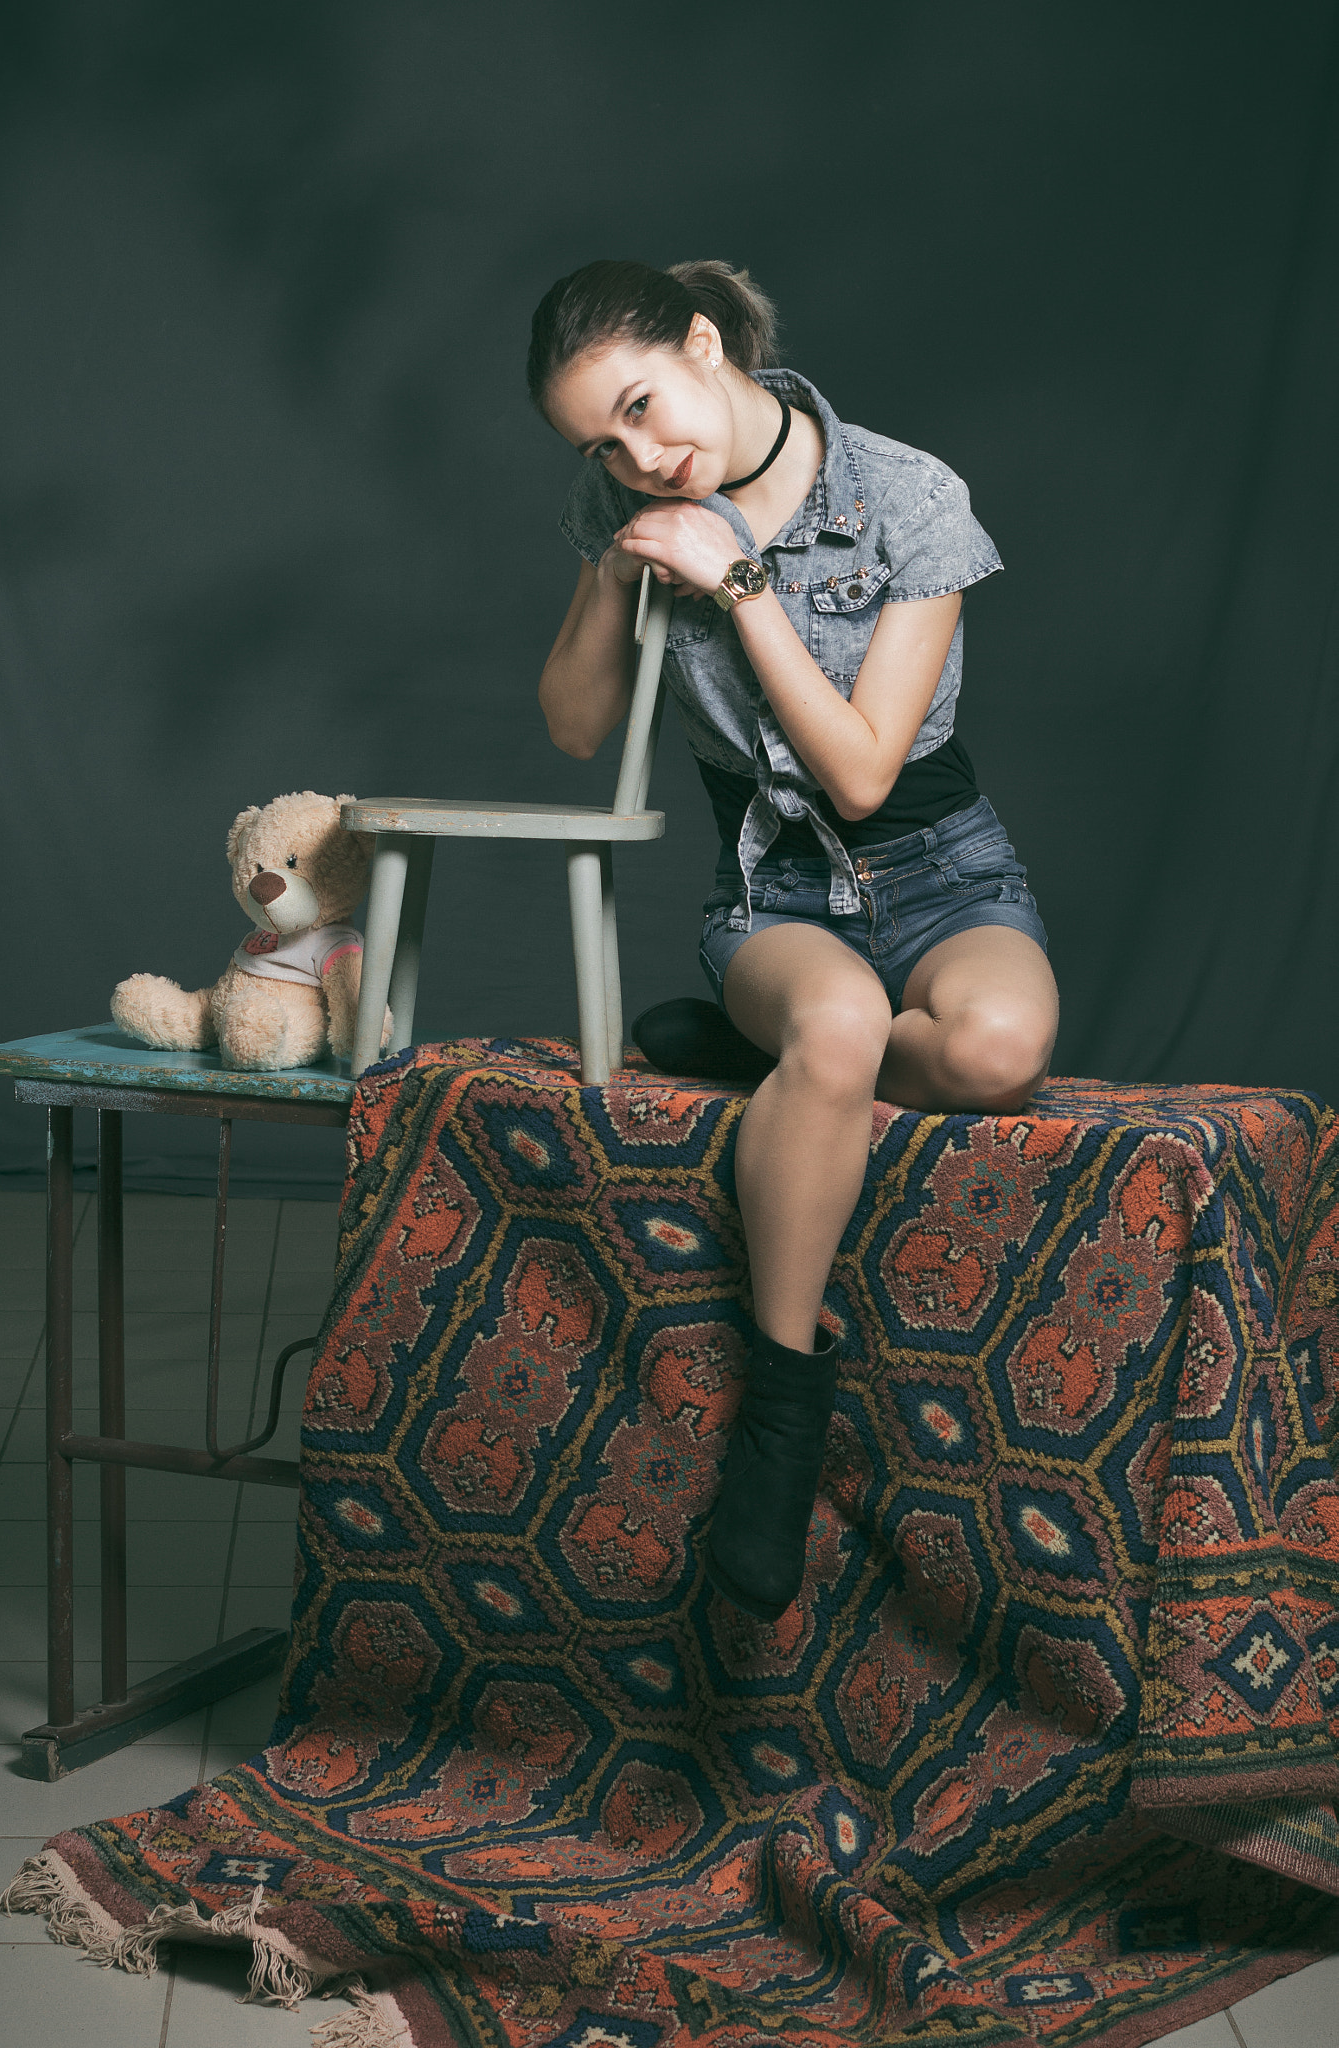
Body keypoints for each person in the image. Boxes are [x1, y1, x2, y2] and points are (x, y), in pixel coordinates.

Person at [528, 259, 1058, 1623]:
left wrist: (742, 579)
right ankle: (779, 1412)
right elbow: (578, 728)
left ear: (705, 343)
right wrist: (618, 550)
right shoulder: (633, 498)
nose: (646, 455)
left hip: (938, 866)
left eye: (646, 409)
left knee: (997, 1048)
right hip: (774, 900)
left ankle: (735, 1058)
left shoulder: (906, 495)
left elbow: (867, 776)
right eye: (606, 444)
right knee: (832, 1028)